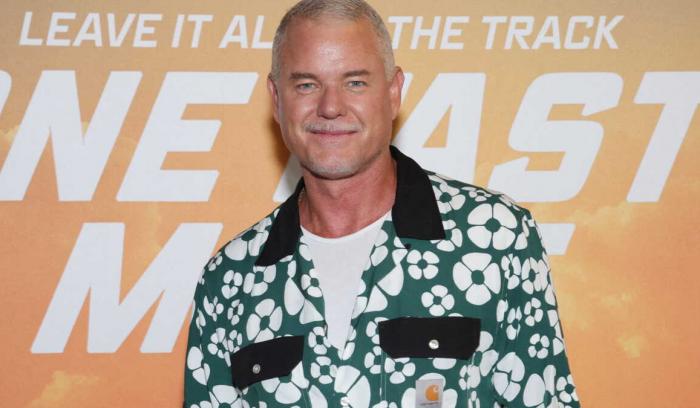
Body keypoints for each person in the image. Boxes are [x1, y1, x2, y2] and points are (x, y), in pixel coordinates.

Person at [183, 0, 579, 407]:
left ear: (393, 93)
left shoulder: (495, 236)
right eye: (306, 85)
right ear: (276, 97)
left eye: (355, 82)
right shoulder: (229, 279)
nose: (330, 107)